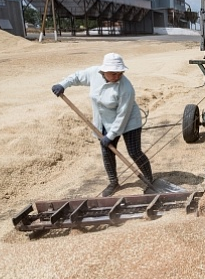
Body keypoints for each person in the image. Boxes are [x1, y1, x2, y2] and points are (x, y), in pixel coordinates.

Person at [51, 52, 153, 197]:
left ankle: (149, 180)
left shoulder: (126, 87)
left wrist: (111, 135)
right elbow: (77, 77)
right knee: (107, 152)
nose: (117, 76)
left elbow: (122, 115)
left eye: (120, 73)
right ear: (104, 71)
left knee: (134, 151)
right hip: (104, 120)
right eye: (113, 73)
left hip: (129, 120)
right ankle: (113, 182)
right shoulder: (93, 73)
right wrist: (63, 84)